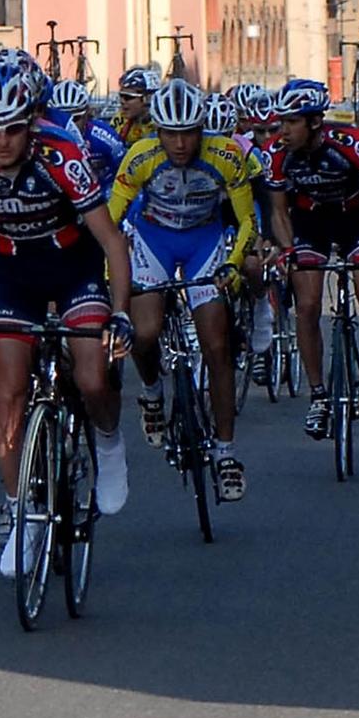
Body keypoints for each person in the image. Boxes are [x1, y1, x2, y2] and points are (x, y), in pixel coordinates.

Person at [0, 60, 133, 578]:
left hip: (73, 264)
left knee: (92, 374)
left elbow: (112, 240)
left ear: (32, 121)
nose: (2, 142)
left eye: (14, 129)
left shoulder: (63, 152)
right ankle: (21, 511)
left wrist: (119, 313)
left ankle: (109, 443)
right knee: (6, 389)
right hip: (8, 271)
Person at [109, 79, 259, 501]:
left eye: (188, 132)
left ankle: (226, 452)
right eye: (169, 133)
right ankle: (152, 392)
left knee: (216, 344)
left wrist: (232, 264)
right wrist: (110, 266)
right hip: (154, 241)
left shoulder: (226, 155)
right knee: (145, 331)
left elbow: (248, 221)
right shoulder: (140, 157)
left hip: (203, 242)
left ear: (202, 128)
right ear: (156, 130)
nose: (179, 143)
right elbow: (111, 217)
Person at [262, 77, 359, 434]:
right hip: (310, 220)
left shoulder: (351, 142)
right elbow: (277, 211)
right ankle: (318, 395)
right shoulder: (275, 152)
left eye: (292, 122)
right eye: (281, 122)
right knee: (306, 305)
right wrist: (287, 251)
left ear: (315, 122)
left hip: (356, 217)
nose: (283, 130)